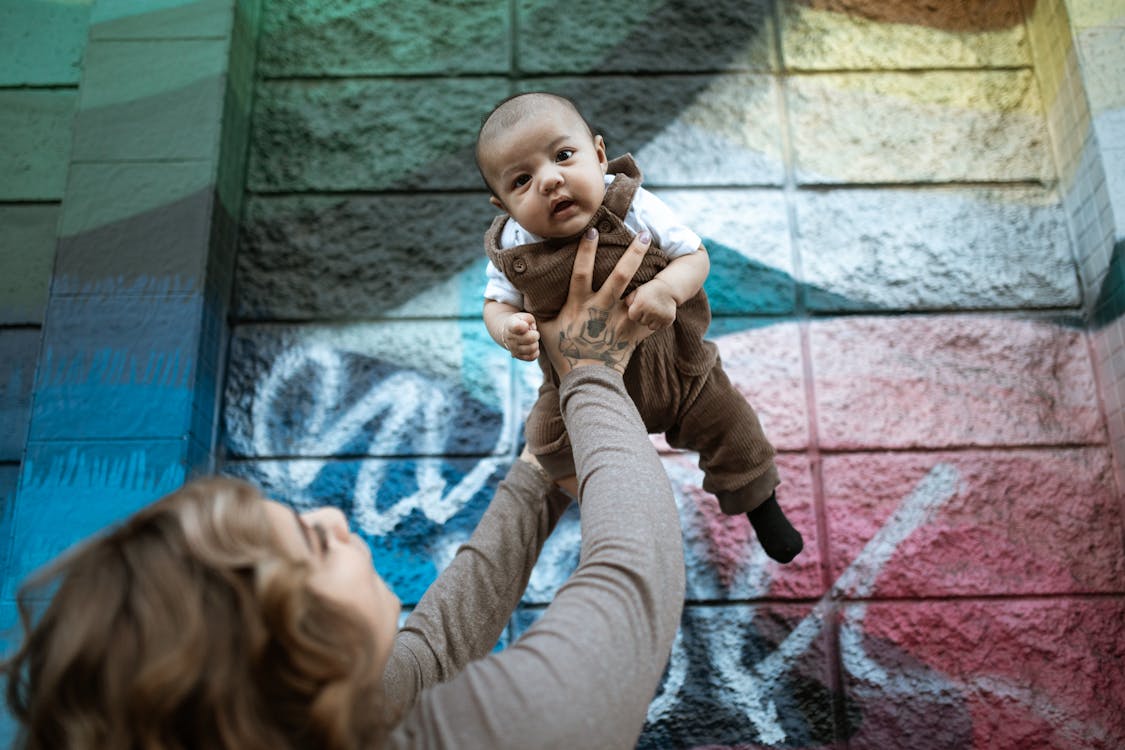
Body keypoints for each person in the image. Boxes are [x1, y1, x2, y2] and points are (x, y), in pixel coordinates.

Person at [3, 230, 685, 750]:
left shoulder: (331, 722)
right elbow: (634, 576)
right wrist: (591, 373)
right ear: (290, 659)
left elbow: (437, 647)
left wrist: (543, 464)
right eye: (307, 543)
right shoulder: (492, 736)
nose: (330, 517)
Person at [477, 91, 803, 563]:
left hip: (680, 372)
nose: (550, 180)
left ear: (600, 155)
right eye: (522, 180)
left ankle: (761, 506)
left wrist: (667, 289)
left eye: (564, 156)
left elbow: (694, 256)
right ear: (503, 203)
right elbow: (495, 304)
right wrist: (509, 328)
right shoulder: (512, 245)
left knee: (734, 430)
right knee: (545, 440)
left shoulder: (632, 205)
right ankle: (606, 507)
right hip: (579, 389)